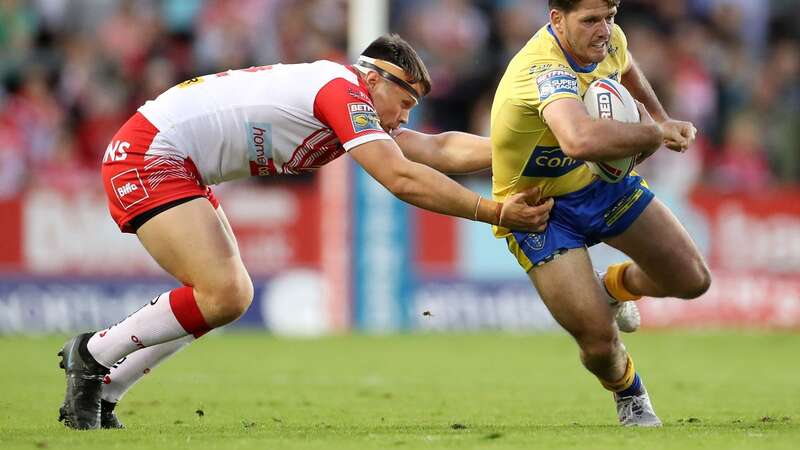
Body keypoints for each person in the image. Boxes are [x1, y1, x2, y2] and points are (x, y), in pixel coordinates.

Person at [57, 34, 555, 430]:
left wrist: (539, 149)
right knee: (224, 293)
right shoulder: (343, 92)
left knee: (228, 296)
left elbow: (440, 149)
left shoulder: (349, 96)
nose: (405, 117)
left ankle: (104, 387)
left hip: (175, 161)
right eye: (403, 102)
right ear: (374, 80)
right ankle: (93, 354)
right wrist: (493, 212)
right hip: (149, 156)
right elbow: (400, 177)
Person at [490, 0, 711, 427]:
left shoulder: (609, 39)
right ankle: (631, 394)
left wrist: (662, 116)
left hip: (601, 186)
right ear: (557, 20)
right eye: (590, 19)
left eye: (610, 16)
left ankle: (611, 286)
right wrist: (652, 131)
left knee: (692, 280)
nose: (604, 29)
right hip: (537, 210)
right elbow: (576, 140)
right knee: (596, 344)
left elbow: (625, 65)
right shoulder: (543, 69)